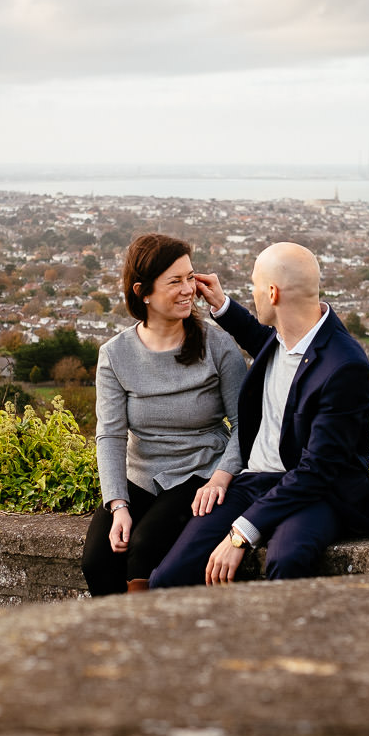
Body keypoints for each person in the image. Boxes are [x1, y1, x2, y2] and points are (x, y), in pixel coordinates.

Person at [149, 242, 369, 589]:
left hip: (317, 490)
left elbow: (318, 470)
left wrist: (241, 533)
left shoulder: (344, 366)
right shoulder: (286, 337)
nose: (252, 293)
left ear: (273, 293)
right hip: (254, 481)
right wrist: (222, 305)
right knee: (168, 578)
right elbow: (259, 335)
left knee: (287, 560)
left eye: (254, 286)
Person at [80, 234, 247, 596]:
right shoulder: (115, 354)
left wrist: (221, 477)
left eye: (191, 277)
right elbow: (110, 435)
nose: (189, 289)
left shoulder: (218, 346)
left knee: (144, 550)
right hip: (141, 473)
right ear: (143, 292)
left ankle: (147, 643)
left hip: (199, 470)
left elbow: (246, 424)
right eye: (175, 281)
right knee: (97, 559)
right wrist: (118, 504)